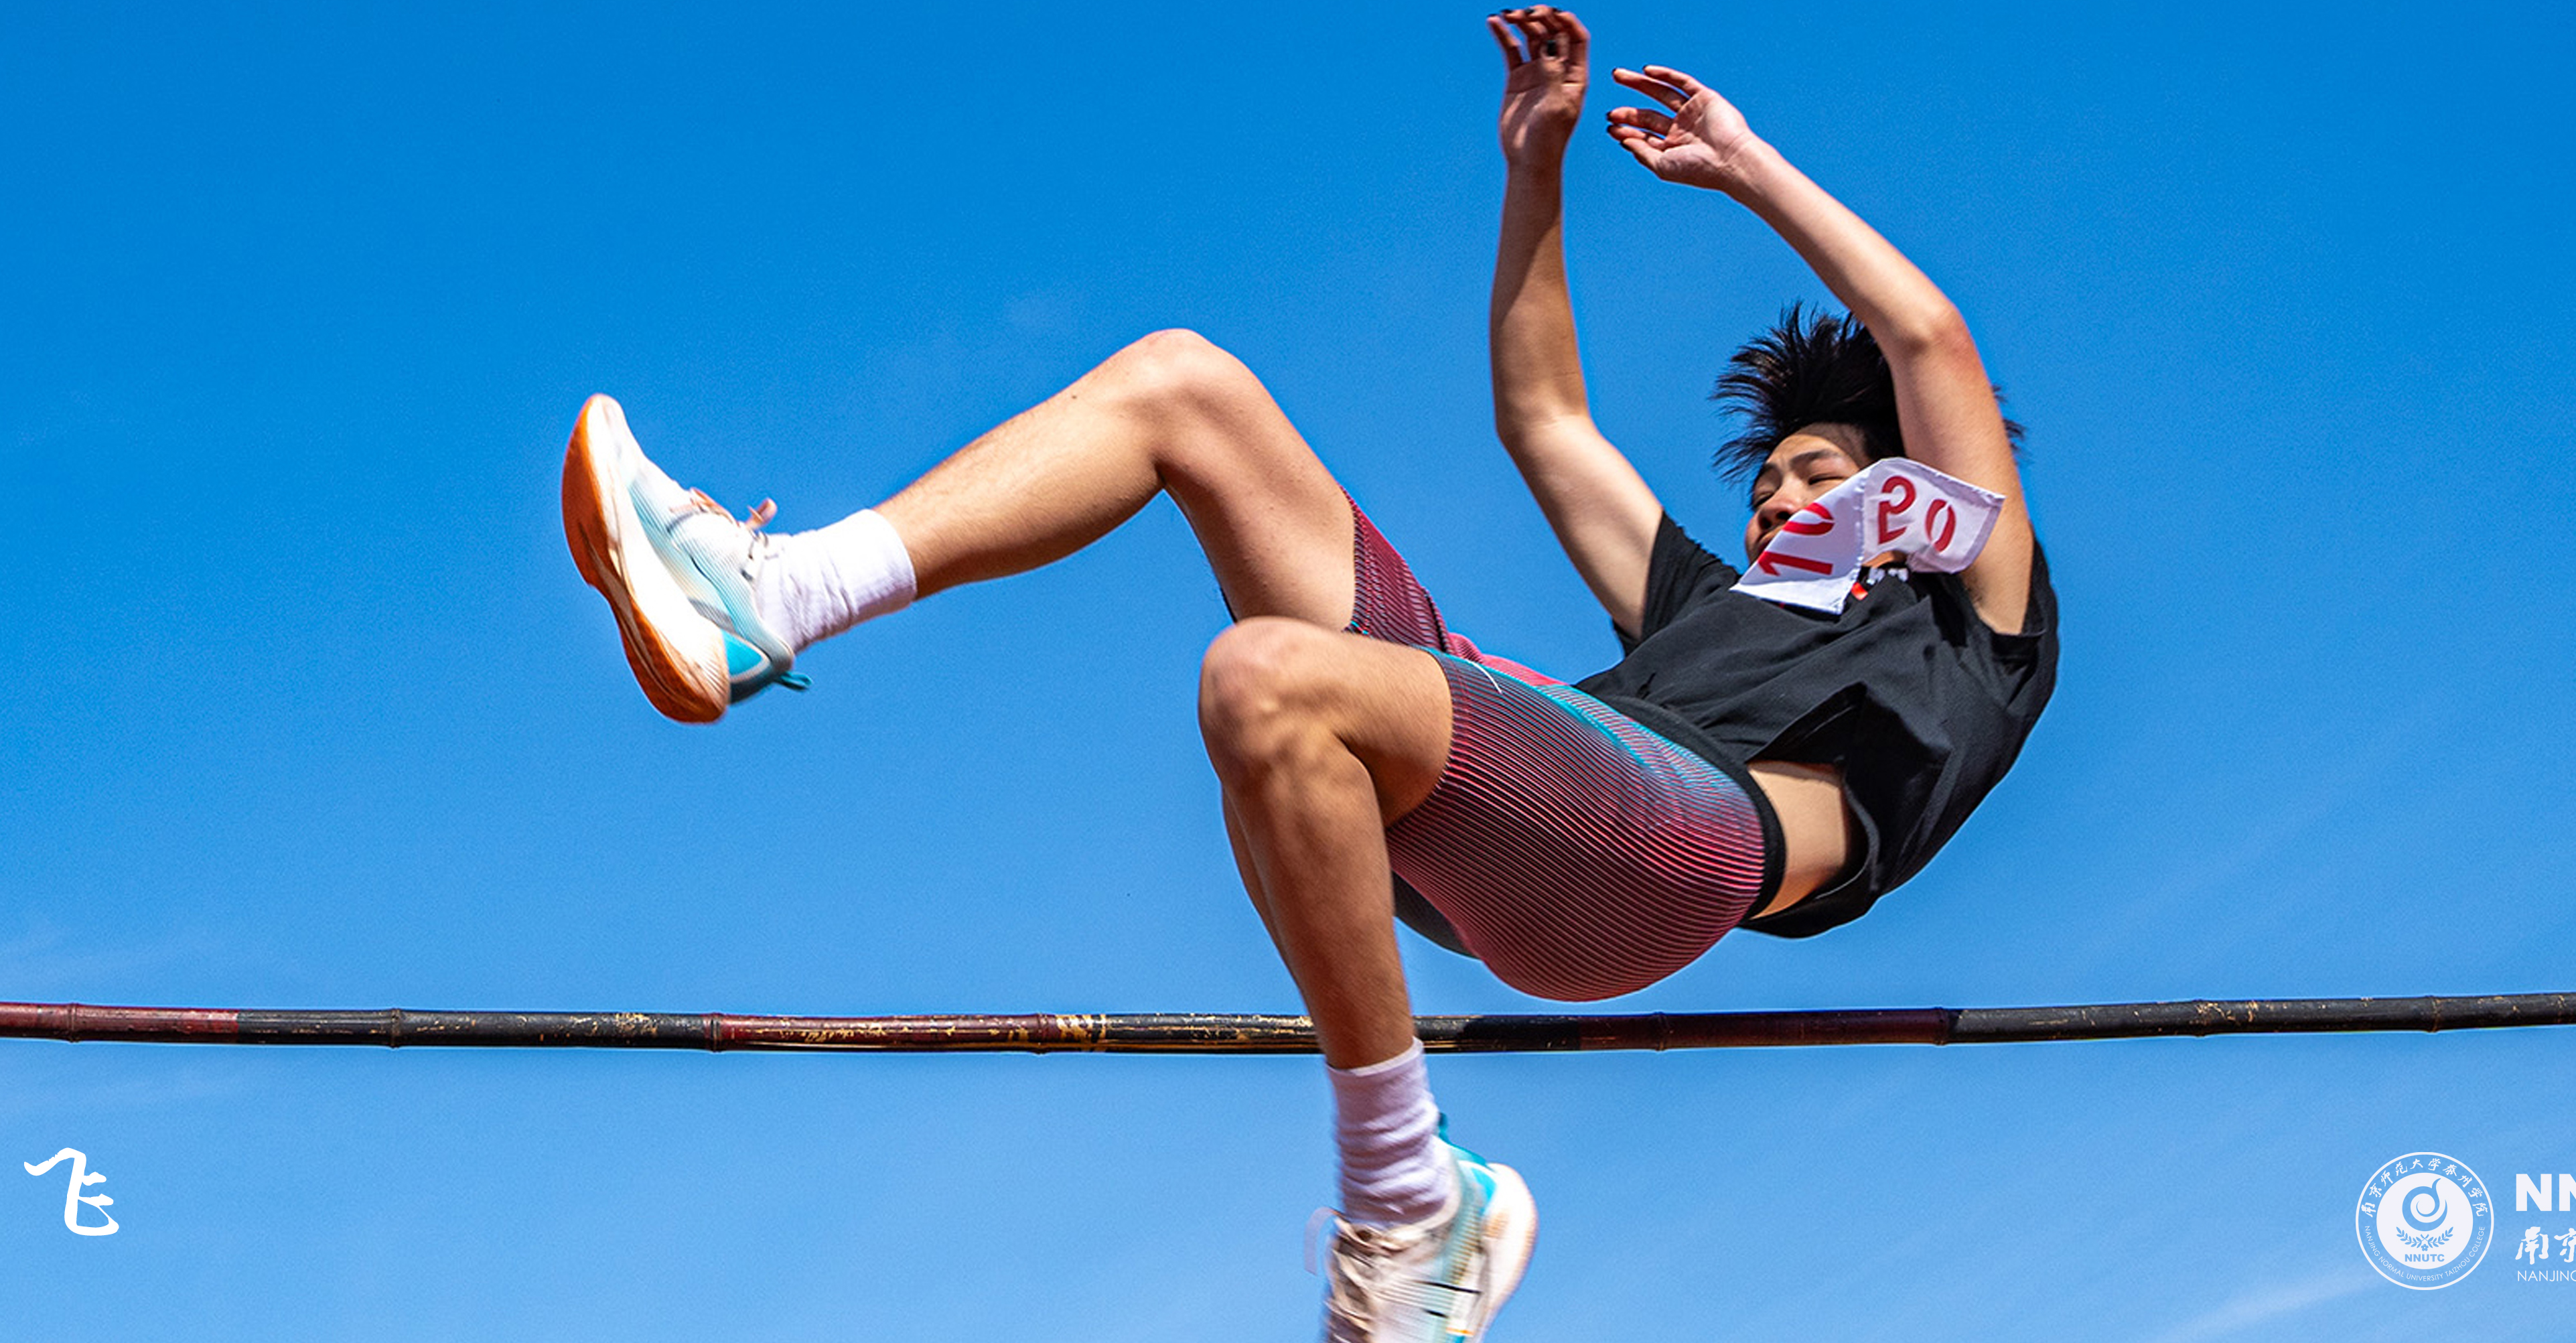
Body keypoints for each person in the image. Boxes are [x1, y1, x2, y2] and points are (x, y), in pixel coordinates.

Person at [556, 9, 2053, 1338]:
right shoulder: (1706, 607)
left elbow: (1927, 336)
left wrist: (1746, 166)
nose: (1781, 499)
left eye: (1817, 475)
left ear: (1905, 487)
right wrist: (1536, 169)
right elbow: (1544, 418)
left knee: (1266, 681)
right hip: (1503, 797)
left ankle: (1407, 1194)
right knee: (1185, 384)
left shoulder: (1975, 621)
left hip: (1673, 852)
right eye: (1767, 481)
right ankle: (778, 596)